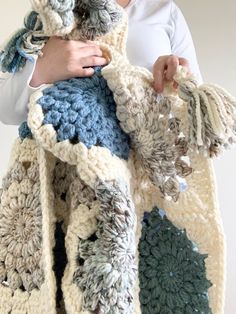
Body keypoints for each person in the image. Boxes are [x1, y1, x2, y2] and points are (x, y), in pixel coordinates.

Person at [0, 0, 202, 125]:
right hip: (68, 179)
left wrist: (178, 80)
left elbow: (198, 117)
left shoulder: (164, 10)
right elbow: (5, 110)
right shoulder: (54, 14)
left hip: (150, 182)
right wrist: (42, 70)